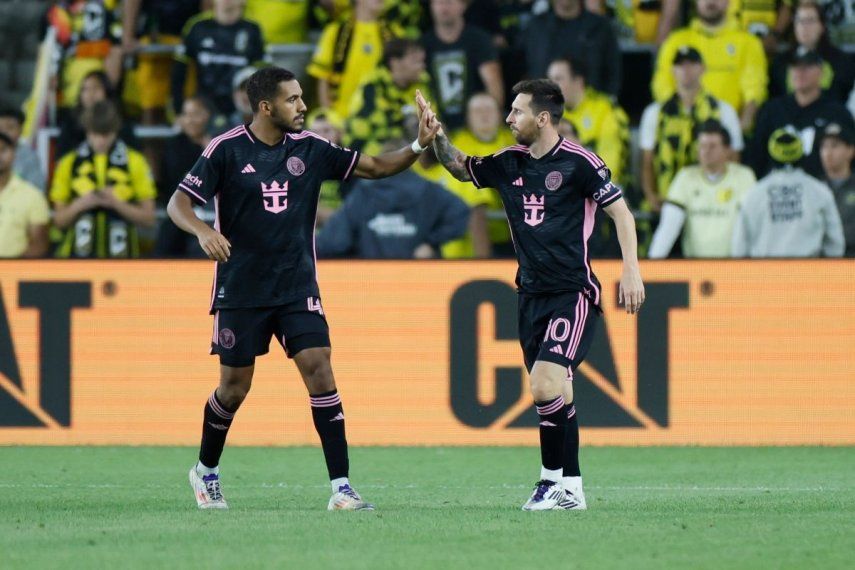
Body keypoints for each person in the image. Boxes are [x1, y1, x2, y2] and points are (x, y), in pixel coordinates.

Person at [166, 67, 440, 511]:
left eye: (301, 97)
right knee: (234, 389)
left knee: (320, 369)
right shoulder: (226, 150)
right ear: (265, 106)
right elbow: (178, 202)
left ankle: (342, 489)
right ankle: (206, 471)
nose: (303, 106)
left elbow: (373, 166)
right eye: (293, 99)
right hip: (241, 289)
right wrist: (201, 230)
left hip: (296, 286)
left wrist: (417, 145)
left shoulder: (311, 149)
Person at [421, 79, 644, 510]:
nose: (508, 119)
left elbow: (622, 214)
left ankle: (549, 483)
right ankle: (573, 491)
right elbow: (461, 167)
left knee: (544, 386)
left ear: (542, 119)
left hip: (572, 293)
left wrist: (631, 270)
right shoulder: (509, 163)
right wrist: (436, 139)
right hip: (530, 296)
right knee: (561, 392)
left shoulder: (580, 163)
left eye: (517, 111)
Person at [639, 46, 745, 212]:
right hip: (668, 200)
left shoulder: (724, 110)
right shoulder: (655, 113)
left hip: (710, 201)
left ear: (702, 68)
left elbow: (734, 158)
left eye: (691, 64)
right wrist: (651, 196)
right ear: (673, 70)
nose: (686, 70)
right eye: (680, 65)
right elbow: (647, 161)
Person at [316, 148, 471, 259]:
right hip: (420, 276)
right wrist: (431, 243)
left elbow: (334, 242)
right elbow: (461, 212)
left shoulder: (362, 194)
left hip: (370, 279)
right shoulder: (429, 190)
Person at [50, 100, 156, 258]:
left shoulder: (136, 161)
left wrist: (116, 203)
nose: (100, 141)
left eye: (105, 134)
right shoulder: (68, 163)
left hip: (124, 259)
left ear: (115, 131)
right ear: (87, 130)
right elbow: (58, 221)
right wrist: (81, 204)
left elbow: (149, 219)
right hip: (75, 260)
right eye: (95, 133)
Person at [652, 0, 767, 131]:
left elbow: (754, 91)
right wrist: (681, 124)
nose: (710, 1)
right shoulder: (676, 41)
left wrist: (739, 132)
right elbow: (662, 86)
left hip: (730, 135)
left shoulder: (749, 43)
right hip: (683, 131)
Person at [648, 120, 757, 258]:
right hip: (695, 268)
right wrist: (650, 265)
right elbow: (668, 227)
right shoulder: (685, 177)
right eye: (702, 146)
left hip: (734, 267)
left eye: (712, 146)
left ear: (727, 150)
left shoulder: (744, 177)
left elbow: (752, 225)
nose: (706, 151)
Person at [733, 128, 844, 257]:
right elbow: (836, 244)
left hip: (764, 273)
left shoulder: (752, 195)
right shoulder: (820, 192)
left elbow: (739, 248)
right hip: (809, 273)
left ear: (771, 154)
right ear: (801, 154)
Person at [750, 48, 855, 179]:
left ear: (821, 71)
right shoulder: (772, 109)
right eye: (795, 67)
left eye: (807, 67)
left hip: (822, 188)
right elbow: (756, 156)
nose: (800, 73)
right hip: (777, 187)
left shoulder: (838, 113)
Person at [171, 0, 267, 117]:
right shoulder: (197, 26)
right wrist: (178, 111)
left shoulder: (253, 29)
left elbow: (263, 74)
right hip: (204, 108)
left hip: (241, 110)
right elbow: (179, 71)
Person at [546, 56, 630, 186]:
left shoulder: (605, 110)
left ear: (578, 82)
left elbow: (610, 171)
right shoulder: (550, 115)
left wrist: (579, 151)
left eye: (558, 79)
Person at [422, 0, 504, 131]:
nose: (443, 7)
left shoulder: (480, 39)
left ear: (463, 5)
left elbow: (493, 84)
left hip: (475, 126)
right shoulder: (423, 44)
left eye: (449, 2)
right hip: (437, 125)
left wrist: (491, 119)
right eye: (438, 2)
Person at [452, 93, 517, 256]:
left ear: (499, 114)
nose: (484, 115)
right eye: (477, 111)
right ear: (468, 118)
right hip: (473, 229)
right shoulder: (458, 143)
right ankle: (484, 264)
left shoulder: (514, 141)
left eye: (488, 109)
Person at [344, 38, 434, 156]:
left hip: (409, 147)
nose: (421, 67)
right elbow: (358, 136)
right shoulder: (372, 87)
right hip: (370, 152)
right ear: (394, 62)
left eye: (422, 61)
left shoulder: (423, 82)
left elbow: (431, 122)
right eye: (415, 62)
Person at [307, 0, 392, 119]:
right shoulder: (335, 31)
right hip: (342, 118)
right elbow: (323, 78)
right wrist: (330, 117)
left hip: (380, 119)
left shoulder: (392, 34)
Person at [523, 0, 622, 99]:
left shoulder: (600, 27)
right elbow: (523, 68)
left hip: (592, 108)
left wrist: (609, 101)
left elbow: (613, 70)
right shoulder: (536, 26)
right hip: (542, 106)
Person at [155, 96, 215, 258]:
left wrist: (208, 151)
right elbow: (172, 184)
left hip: (213, 213)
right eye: (186, 114)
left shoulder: (219, 144)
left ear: (208, 116)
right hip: (181, 210)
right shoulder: (174, 146)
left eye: (195, 114)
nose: (189, 120)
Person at [770, 1, 854, 103]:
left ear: (822, 26)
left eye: (810, 21)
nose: (804, 27)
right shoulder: (780, 62)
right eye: (799, 21)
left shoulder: (843, 62)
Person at [0, 132, 50, 258]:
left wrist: (11, 271)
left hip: (14, 275)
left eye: (3, 150)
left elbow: (39, 245)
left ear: (14, 154)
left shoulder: (33, 196)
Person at [818, 122, 855, 257]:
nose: (828, 152)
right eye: (824, 146)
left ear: (850, 150)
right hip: (819, 263)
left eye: (834, 146)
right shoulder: (813, 188)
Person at [0, 108, 46, 190]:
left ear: (21, 130)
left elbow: (37, 189)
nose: (4, 132)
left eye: (10, 128)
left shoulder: (29, 157)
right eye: (0, 128)